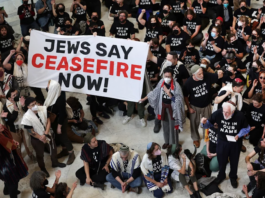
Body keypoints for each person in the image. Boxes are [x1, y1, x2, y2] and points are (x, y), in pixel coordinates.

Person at [201, 102, 250, 188]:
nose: (224, 114)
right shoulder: (219, 113)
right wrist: (204, 123)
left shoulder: (240, 115)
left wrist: (239, 135)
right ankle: (221, 175)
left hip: (235, 142)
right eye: (223, 111)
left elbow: (247, 128)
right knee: (221, 160)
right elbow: (208, 124)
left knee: (234, 161)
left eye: (227, 112)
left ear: (233, 111)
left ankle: (233, 177)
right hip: (222, 141)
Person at [140, 68, 185, 148]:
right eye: (165, 76)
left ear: (172, 76)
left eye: (169, 76)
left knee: (173, 126)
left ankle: (174, 144)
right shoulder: (161, 82)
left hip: (172, 109)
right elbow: (154, 92)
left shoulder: (176, 85)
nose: (167, 78)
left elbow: (179, 100)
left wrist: (169, 93)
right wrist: (144, 99)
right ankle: (167, 141)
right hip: (163, 107)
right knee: (165, 125)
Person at [21, 97, 66, 178]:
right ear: (28, 107)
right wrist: (41, 137)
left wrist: (45, 134)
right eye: (32, 105)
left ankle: (55, 162)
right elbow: (30, 131)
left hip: (46, 133)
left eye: (35, 103)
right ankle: (43, 168)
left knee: (53, 148)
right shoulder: (26, 117)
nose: (35, 106)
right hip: (37, 139)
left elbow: (48, 121)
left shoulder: (42, 109)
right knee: (40, 154)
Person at [183, 65, 223, 148]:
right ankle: (195, 138)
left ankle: (207, 137)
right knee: (194, 123)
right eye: (200, 74)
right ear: (194, 75)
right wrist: (189, 107)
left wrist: (220, 72)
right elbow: (185, 96)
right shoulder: (188, 83)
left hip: (207, 104)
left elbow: (219, 76)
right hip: (194, 106)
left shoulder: (206, 75)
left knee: (208, 122)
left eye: (202, 73)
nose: (202, 75)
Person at [44, 80, 75, 165]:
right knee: (59, 136)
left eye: (48, 85)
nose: (47, 87)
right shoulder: (52, 93)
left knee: (63, 137)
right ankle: (64, 150)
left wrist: (59, 126)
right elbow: (48, 89)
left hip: (59, 121)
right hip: (54, 120)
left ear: (53, 88)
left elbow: (63, 114)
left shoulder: (60, 99)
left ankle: (71, 152)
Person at [3, 88, 35, 160]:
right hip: (15, 129)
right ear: (9, 97)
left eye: (16, 94)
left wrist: (23, 105)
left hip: (24, 126)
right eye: (14, 95)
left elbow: (26, 112)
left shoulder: (19, 101)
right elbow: (9, 120)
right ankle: (20, 159)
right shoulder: (5, 107)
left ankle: (31, 155)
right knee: (18, 145)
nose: (16, 96)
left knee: (27, 142)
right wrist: (15, 111)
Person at [0, 124, 28, 198]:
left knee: (9, 178)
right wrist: (13, 144)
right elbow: (8, 145)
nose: (1, 125)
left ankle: (6, 190)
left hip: (8, 158)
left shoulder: (2, 132)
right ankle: (12, 193)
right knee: (13, 181)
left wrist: (13, 142)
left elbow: (9, 141)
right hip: (4, 162)